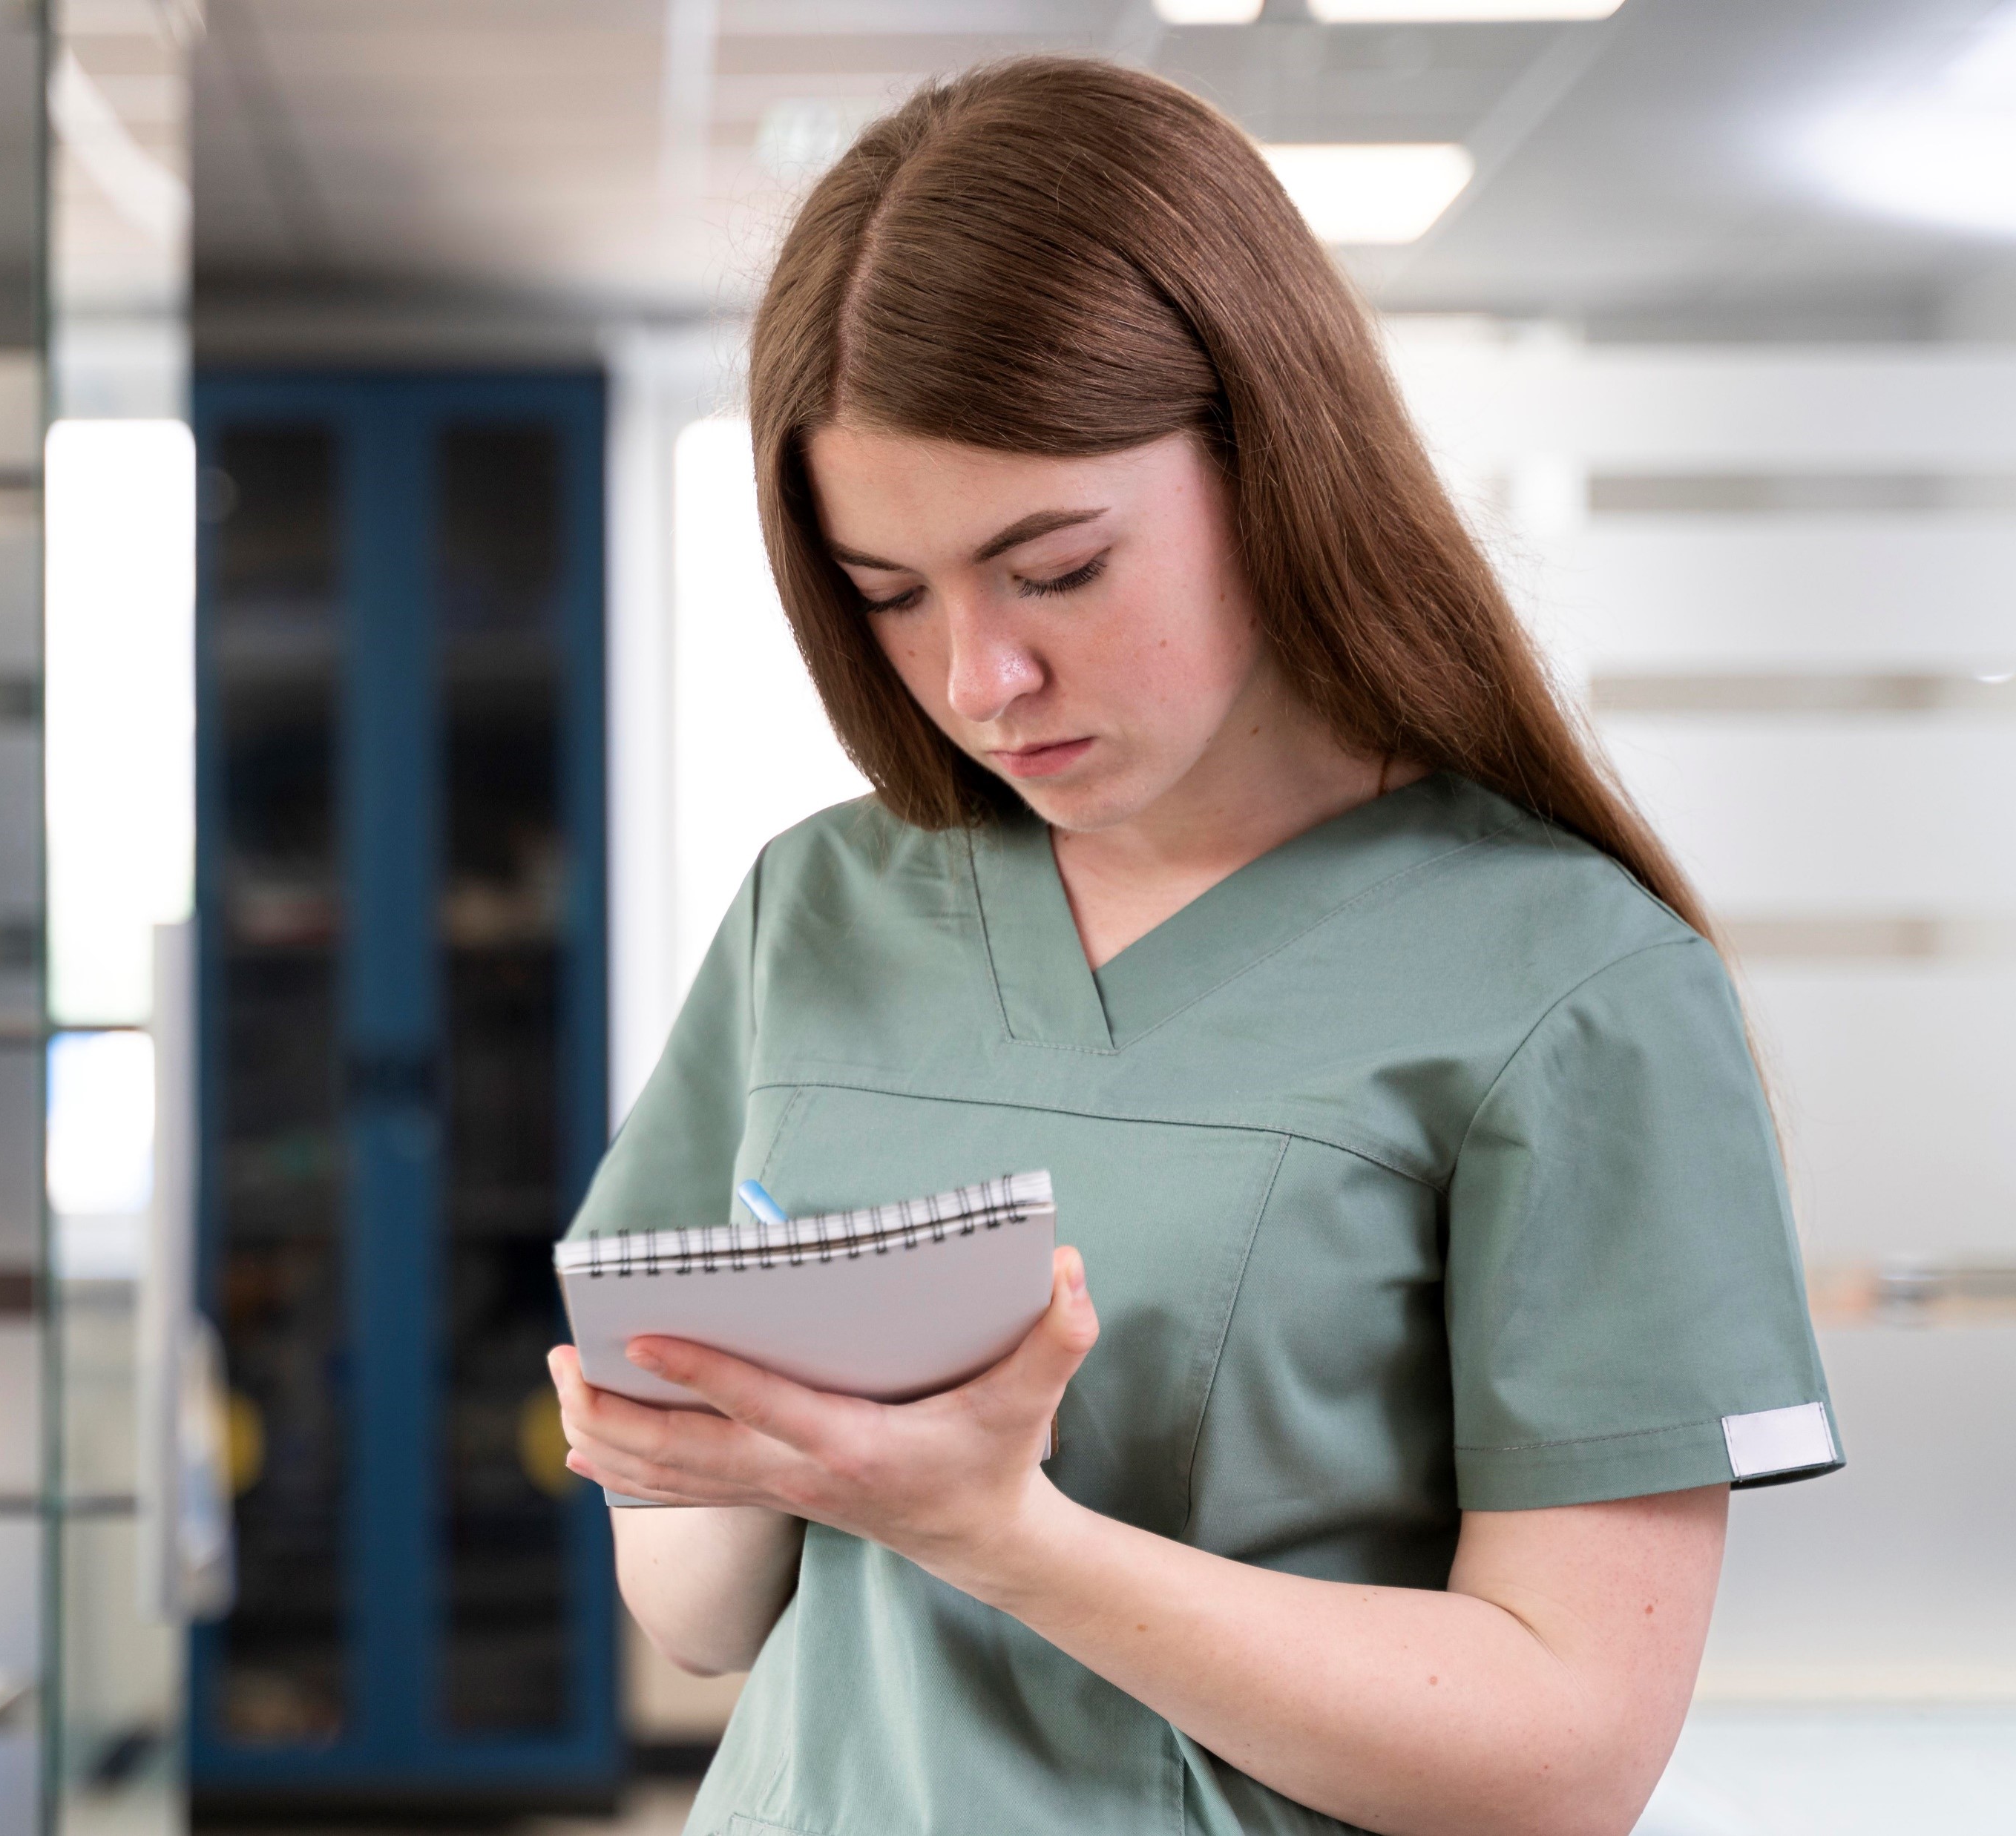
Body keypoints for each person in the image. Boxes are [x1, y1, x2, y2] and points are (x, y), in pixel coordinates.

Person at [545, 56, 1838, 1836]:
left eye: (1056, 567)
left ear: (1271, 455)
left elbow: (1563, 1751)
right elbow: (698, 1616)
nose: (976, 679)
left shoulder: (1568, 982)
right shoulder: (824, 904)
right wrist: (721, 1457)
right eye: (891, 596)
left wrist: (1001, 1528)